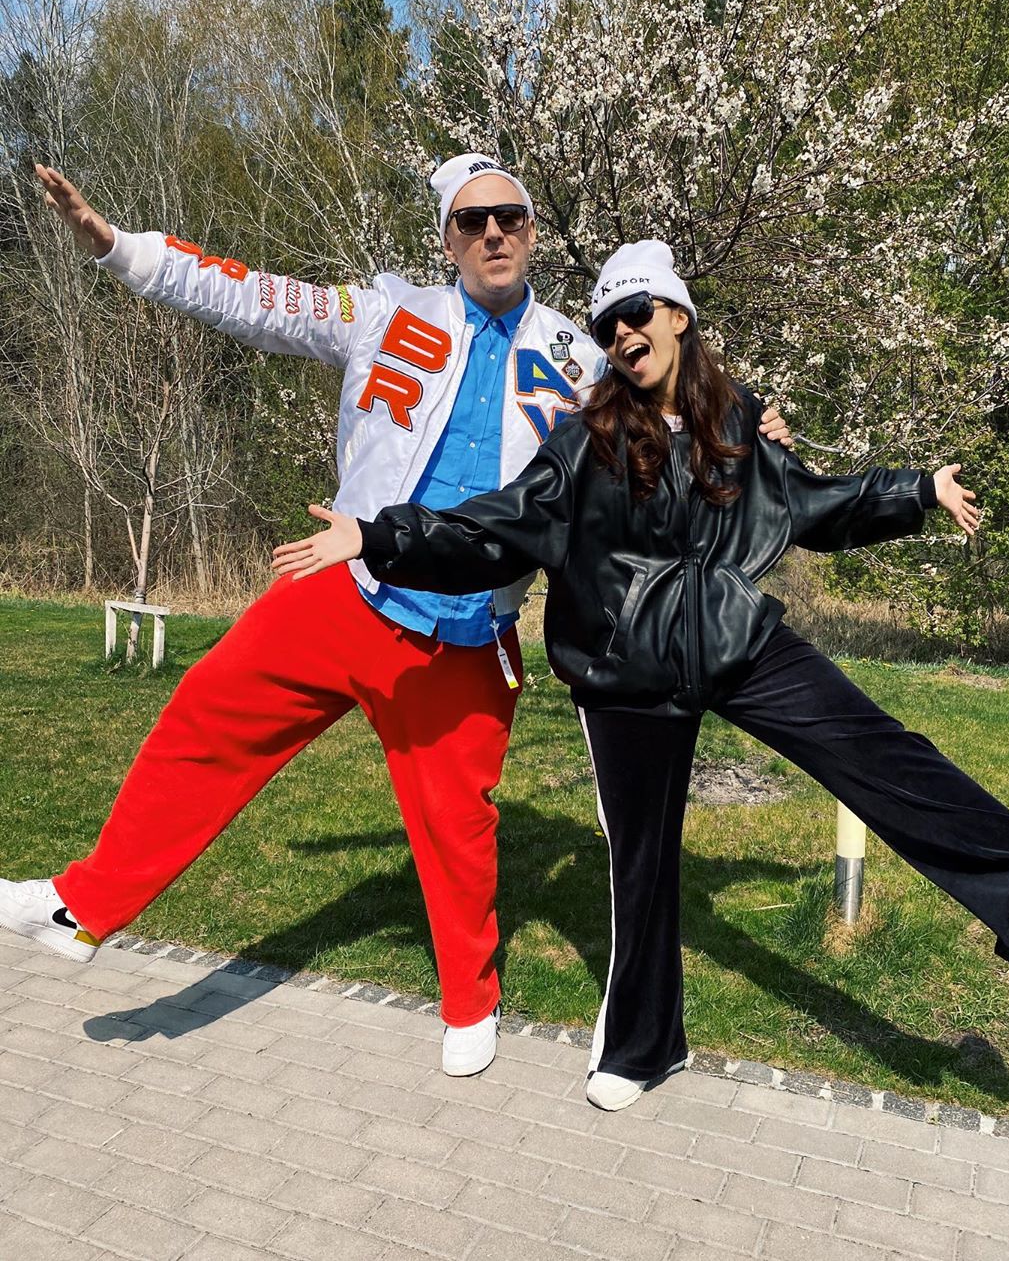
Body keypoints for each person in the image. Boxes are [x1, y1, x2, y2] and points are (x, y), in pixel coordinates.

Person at [0, 157, 794, 1076]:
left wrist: (752, 428)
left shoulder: (580, 358)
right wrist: (118, 249)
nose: (492, 234)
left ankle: (472, 1004)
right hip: (345, 591)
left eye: (508, 218)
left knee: (457, 829)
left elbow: (671, 411)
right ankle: (82, 909)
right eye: (472, 222)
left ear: (532, 232)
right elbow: (251, 297)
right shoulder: (384, 311)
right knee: (201, 723)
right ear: (447, 240)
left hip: (467, 633)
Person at [272, 239, 1009, 1109]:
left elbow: (808, 504)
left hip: (734, 639)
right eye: (606, 325)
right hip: (627, 669)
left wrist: (915, 492)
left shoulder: (736, 419)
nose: (623, 334)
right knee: (643, 868)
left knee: (880, 752)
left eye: (637, 313)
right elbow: (494, 526)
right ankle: (645, 1046)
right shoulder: (584, 442)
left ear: (678, 317)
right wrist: (377, 535)